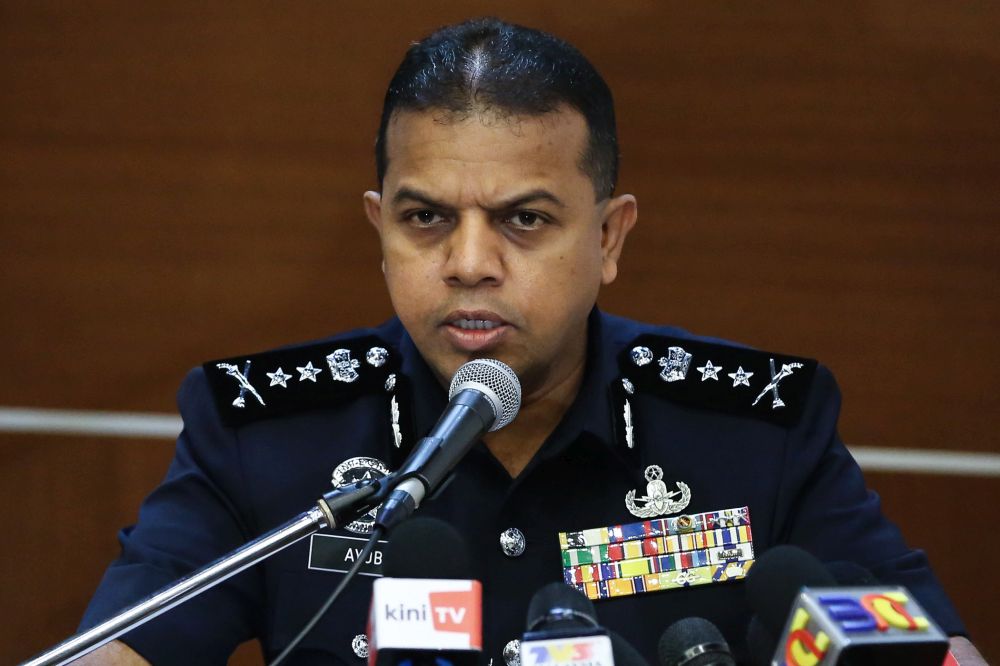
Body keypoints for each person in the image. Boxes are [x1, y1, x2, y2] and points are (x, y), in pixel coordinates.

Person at [75, 17, 983, 665]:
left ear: (609, 238)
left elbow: (936, 651)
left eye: (525, 219)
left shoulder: (753, 433)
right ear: (378, 227)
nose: (470, 263)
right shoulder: (268, 437)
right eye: (425, 218)